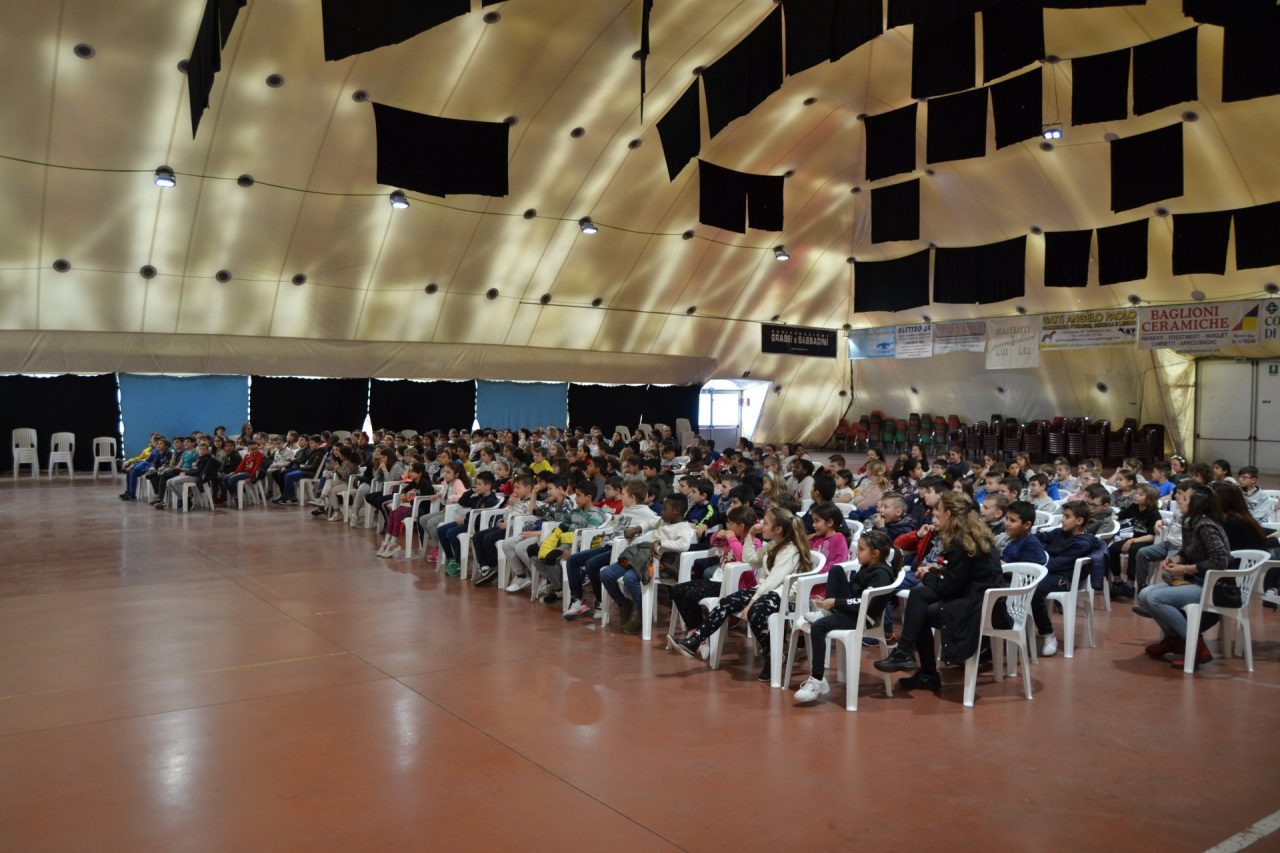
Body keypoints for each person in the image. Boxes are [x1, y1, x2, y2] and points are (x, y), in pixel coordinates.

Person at [873, 491, 1004, 692]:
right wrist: (937, 571)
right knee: (919, 596)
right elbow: (960, 577)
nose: (937, 515)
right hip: (975, 596)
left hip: (979, 607)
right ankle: (909, 656)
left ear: (949, 514)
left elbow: (948, 587)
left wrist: (926, 576)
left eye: (939, 511)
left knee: (921, 610)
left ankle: (920, 666)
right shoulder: (971, 534)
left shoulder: (961, 543)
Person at [668, 507, 812, 680]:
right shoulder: (774, 545)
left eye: (765, 523)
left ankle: (772, 654)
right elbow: (750, 559)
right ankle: (695, 641)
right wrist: (750, 535)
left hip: (785, 596)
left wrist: (752, 601)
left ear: (778, 529)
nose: (761, 525)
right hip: (767, 591)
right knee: (725, 602)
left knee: (755, 612)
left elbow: (774, 580)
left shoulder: (790, 550)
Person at [793, 530, 900, 704]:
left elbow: (864, 603)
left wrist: (836, 602)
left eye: (861, 549)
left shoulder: (881, 575)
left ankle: (818, 679)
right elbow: (854, 591)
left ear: (875, 554)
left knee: (819, 627)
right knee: (836, 570)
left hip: (863, 618)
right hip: (853, 610)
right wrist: (831, 601)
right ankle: (827, 612)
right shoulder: (867, 566)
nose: (857, 552)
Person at [1135, 483, 1230, 669]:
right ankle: (1174, 638)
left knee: (1155, 598)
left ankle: (1194, 644)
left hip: (1212, 585)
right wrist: (1177, 559)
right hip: (1194, 579)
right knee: (1145, 595)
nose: (1179, 500)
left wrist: (1186, 568)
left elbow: (1220, 561)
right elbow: (1189, 552)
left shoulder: (1206, 525)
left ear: (1197, 504)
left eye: (1185, 498)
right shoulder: (1190, 522)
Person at [562, 481, 661, 619]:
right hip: (609, 545)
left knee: (592, 564)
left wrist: (639, 529)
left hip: (621, 551)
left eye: (623, 494)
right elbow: (615, 526)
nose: (621, 496)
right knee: (573, 559)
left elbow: (658, 522)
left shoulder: (646, 513)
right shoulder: (626, 509)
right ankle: (576, 600)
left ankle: (600, 602)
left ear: (632, 497)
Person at [601, 495, 694, 635]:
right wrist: (636, 529)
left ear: (677, 510)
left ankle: (642, 612)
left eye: (665, 509)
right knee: (606, 573)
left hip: (660, 564)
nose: (661, 512)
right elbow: (650, 523)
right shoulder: (662, 521)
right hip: (640, 557)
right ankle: (624, 603)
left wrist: (662, 543)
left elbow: (684, 545)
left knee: (630, 578)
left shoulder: (684, 527)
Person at [668, 505, 758, 638]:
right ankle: (695, 629)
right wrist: (718, 535)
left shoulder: (754, 542)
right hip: (717, 580)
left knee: (690, 595)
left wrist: (732, 539)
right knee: (676, 590)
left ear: (741, 526)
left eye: (731, 523)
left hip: (735, 586)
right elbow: (713, 542)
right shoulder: (730, 537)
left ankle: (699, 635)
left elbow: (744, 558)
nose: (728, 526)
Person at [1029, 501, 1094, 656]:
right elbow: (1037, 538)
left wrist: (1037, 557)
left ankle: (1048, 634)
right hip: (1048, 572)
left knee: (1034, 589)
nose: (1062, 520)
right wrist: (1039, 551)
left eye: (1067, 517)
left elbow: (1055, 564)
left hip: (1066, 579)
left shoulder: (1082, 544)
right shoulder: (1060, 532)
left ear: (1079, 521)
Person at [436, 471, 502, 576]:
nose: (477, 486)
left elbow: (482, 519)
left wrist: (465, 521)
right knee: (441, 530)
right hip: (468, 522)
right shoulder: (478, 496)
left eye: (479, 484)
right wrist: (471, 491)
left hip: (474, 526)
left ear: (488, 486)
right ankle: (450, 557)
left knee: (451, 532)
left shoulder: (491, 501)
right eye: (476, 483)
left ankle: (459, 561)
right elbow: (462, 501)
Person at [1108, 483, 1161, 599]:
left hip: (1146, 541)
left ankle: (1131, 584)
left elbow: (1152, 536)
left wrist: (1132, 541)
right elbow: (1120, 515)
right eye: (1136, 493)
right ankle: (1117, 580)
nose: (1136, 496)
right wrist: (1109, 518)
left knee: (1135, 551)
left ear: (1149, 499)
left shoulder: (1153, 513)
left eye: (1140, 495)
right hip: (1134, 538)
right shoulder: (1134, 506)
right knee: (1113, 548)